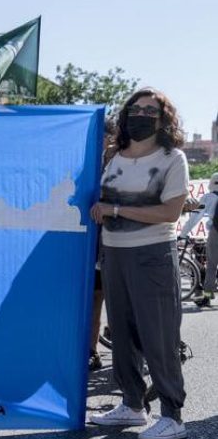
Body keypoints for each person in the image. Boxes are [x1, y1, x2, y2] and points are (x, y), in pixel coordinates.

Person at [88, 88, 189, 439]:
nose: (142, 114)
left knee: (158, 336)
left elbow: (170, 212)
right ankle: (132, 404)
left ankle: (173, 417)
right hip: (114, 254)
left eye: (151, 110)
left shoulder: (171, 158)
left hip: (152, 255)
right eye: (136, 108)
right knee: (122, 333)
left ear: (163, 120)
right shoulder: (111, 156)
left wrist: (116, 210)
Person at [88, 118, 119, 372]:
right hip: (95, 247)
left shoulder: (125, 162)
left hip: (122, 245)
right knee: (95, 299)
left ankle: (126, 356)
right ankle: (92, 351)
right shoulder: (89, 165)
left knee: (122, 303)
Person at [180, 173, 218, 306]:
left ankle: (207, 296)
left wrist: (183, 234)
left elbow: (195, 217)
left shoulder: (209, 197)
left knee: (212, 265)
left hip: (216, 232)